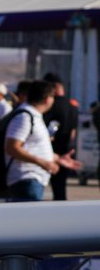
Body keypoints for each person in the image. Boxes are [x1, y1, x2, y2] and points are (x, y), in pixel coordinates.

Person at [3, 79, 80, 202]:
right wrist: (42, 162)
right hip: (26, 179)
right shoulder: (24, 117)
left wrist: (57, 158)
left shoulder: (33, 116)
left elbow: (32, 147)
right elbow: (12, 147)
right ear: (47, 99)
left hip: (33, 180)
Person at [41, 73, 80, 201]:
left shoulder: (52, 105)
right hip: (67, 151)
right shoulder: (72, 106)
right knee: (60, 190)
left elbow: (47, 130)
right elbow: (74, 132)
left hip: (50, 152)